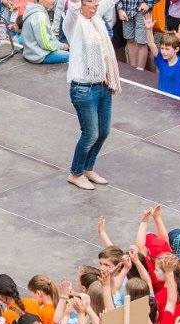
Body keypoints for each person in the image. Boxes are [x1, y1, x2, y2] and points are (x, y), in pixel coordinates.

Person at [62, 0, 119, 190]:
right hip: (83, 88)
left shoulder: (97, 22)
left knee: (103, 132)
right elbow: (72, 9)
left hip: (103, 84)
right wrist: (77, 3)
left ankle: (87, 168)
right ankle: (75, 173)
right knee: (90, 134)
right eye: (89, 2)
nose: (94, 5)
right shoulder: (74, 23)